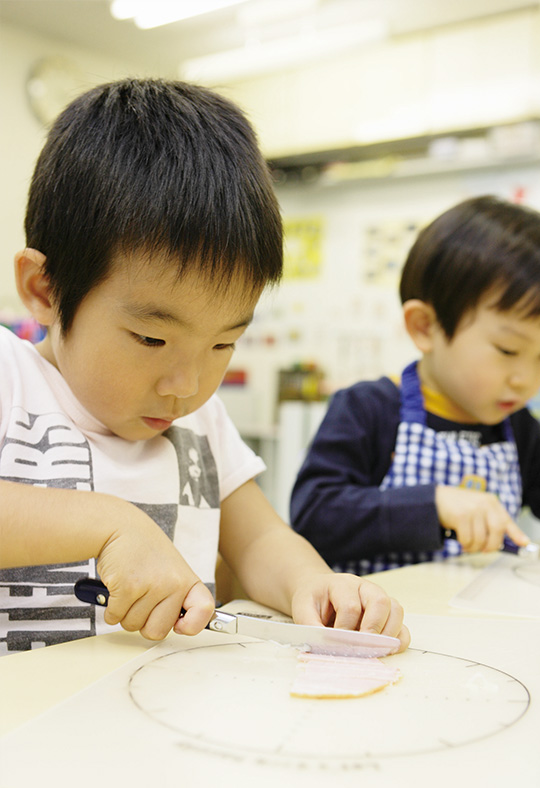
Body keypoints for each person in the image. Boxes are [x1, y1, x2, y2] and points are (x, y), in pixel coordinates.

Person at [0, 78, 409, 655]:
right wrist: (109, 523)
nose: (186, 387)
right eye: (151, 338)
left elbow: (260, 539)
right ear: (44, 290)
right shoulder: (10, 378)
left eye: (223, 345)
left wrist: (314, 584)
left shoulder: (202, 422)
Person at [291, 196, 540, 575]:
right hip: (375, 624)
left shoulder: (517, 427)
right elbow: (315, 515)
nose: (526, 379)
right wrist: (432, 504)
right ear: (425, 326)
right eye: (508, 349)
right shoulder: (368, 408)